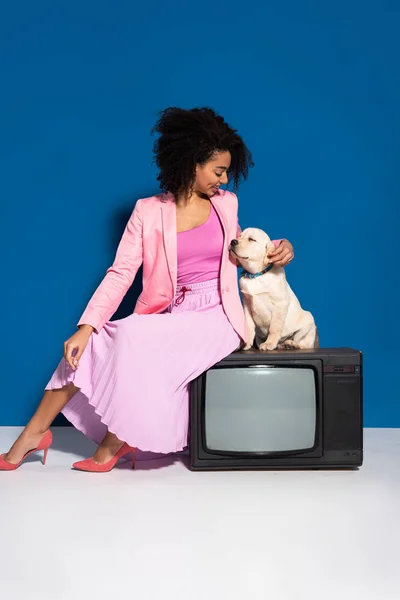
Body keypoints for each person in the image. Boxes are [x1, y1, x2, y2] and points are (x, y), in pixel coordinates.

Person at [0, 107, 294, 472]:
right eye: (218, 171)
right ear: (192, 163)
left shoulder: (226, 204)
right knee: (91, 343)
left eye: (226, 172)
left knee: (136, 340)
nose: (223, 179)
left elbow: (242, 249)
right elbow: (121, 272)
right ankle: (34, 434)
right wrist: (85, 327)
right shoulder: (148, 211)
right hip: (172, 313)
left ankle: (112, 446)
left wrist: (279, 247)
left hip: (218, 315)